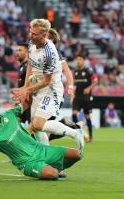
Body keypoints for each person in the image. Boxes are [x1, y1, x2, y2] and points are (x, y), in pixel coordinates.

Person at [12, 19, 85, 150]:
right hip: (39, 89)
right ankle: (46, 156)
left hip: (51, 90)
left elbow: (47, 81)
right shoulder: (32, 43)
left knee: (37, 125)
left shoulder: (50, 53)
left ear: (44, 36)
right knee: (35, 128)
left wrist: (27, 89)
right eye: (30, 32)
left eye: (34, 34)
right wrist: (25, 86)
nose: (30, 35)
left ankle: (74, 133)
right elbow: (30, 63)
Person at [0, 101, 84, 180]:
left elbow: (27, 103)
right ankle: (54, 168)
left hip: (41, 149)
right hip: (27, 163)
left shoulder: (10, 114)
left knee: (78, 155)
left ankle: (57, 166)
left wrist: (32, 86)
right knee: (53, 174)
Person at [72, 54, 98, 141]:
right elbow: (74, 84)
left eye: (80, 59)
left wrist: (89, 88)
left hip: (86, 96)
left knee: (87, 116)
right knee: (74, 114)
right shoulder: (75, 72)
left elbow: (95, 80)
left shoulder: (88, 70)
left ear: (83, 61)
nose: (78, 61)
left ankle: (90, 136)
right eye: (77, 59)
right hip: (78, 95)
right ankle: (79, 133)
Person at [15, 42, 31, 124]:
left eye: (20, 50)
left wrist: (19, 92)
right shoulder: (21, 66)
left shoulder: (29, 65)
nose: (17, 53)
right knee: (16, 120)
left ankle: (64, 124)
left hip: (30, 100)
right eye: (16, 50)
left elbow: (32, 84)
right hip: (22, 99)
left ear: (27, 52)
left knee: (34, 127)